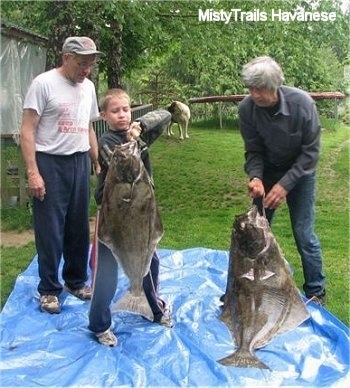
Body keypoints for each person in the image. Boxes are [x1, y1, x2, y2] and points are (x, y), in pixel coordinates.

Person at [20, 36, 102, 314]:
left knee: (79, 227)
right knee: (50, 230)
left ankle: (76, 281)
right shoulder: (43, 84)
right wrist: (33, 172)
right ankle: (49, 290)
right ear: (65, 57)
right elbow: (28, 130)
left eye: (90, 64)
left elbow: (88, 127)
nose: (86, 70)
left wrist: (96, 159)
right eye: (81, 63)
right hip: (50, 163)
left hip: (78, 162)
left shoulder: (88, 87)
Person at [88, 88, 173, 347]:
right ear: (104, 115)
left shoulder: (136, 132)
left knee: (149, 264)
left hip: (141, 214)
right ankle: (100, 324)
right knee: (106, 273)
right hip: (113, 217)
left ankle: (153, 308)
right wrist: (133, 140)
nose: (121, 115)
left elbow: (166, 115)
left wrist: (140, 125)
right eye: (115, 111)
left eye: (126, 109)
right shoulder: (107, 142)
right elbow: (121, 162)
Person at [238, 55, 326, 305]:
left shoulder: (303, 104)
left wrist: (285, 185)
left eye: (260, 89)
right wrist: (255, 177)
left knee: (303, 232)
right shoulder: (246, 109)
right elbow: (253, 150)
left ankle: (316, 291)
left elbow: (311, 153)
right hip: (267, 172)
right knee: (256, 232)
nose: (254, 94)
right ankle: (255, 286)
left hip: (301, 174)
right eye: (250, 88)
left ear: (274, 85)